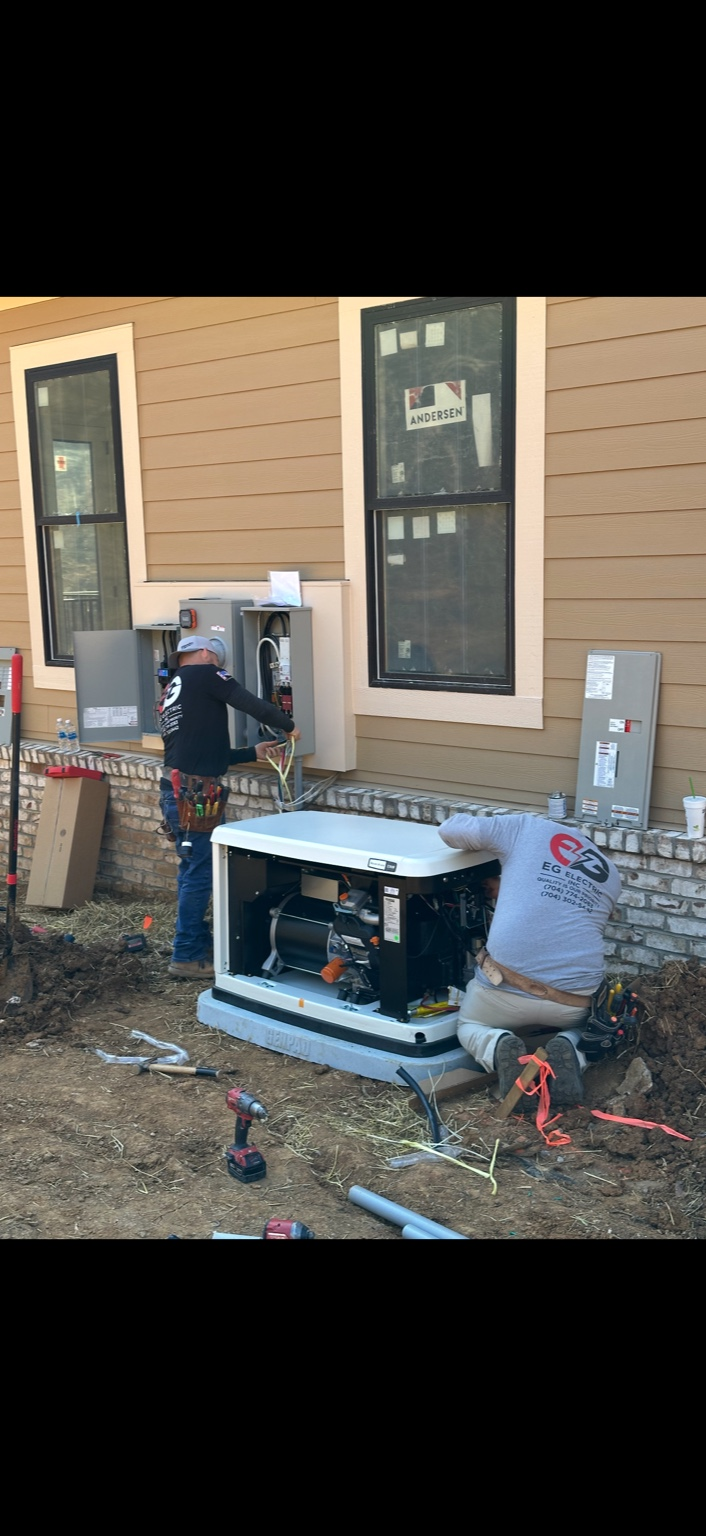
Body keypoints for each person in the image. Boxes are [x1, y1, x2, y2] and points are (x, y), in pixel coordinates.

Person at [438, 812, 621, 1109]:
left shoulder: (526, 827)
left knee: (470, 1025)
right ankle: (572, 1049)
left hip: (504, 989)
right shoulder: (611, 873)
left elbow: (451, 830)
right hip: (572, 1001)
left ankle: (497, 1045)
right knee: (585, 1030)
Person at [158, 635, 300, 980]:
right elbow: (247, 701)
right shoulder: (206, 673)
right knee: (199, 876)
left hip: (176, 790)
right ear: (207, 655)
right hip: (193, 795)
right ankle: (187, 955)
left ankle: (194, 941)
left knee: (191, 872)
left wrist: (254, 752)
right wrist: (289, 724)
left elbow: (209, 755)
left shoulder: (173, 689)